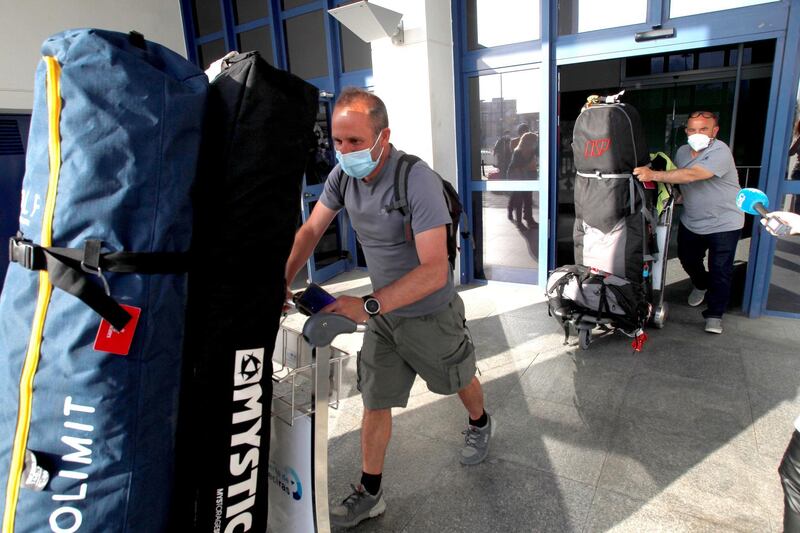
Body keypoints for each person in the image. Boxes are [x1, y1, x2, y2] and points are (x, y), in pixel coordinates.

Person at [283, 87, 492, 528]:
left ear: (383, 136)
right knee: (374, 400)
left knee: (460, 379)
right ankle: (370, 492)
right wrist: (280, 282)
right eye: (338, 141)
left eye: (355, 142)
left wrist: (368, 304)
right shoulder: (343, 178)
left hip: (430, 312)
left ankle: (480, 420)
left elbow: (436, 270)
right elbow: (310, 232)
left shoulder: (416, 179)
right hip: (384, 318)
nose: (344, 151)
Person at [633, 111, 743, 334]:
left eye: (703, 129)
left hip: (725, 222)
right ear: (686, 131)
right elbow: (682, 178)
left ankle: (714, 315)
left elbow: (693, 174)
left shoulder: (720, 150)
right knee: (688, 258)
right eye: (692, 129)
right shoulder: (683, 151)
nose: (697, 133)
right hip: (693, 220)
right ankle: (701, 284)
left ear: (715, 131)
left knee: (720, 270)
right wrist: (680, 196)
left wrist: (652, 174)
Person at [507, 131, 538, 222]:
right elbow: (516, 168)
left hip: (523, 174)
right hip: (514, 174)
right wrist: (523, 181)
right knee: (518, 197)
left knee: (527, 197)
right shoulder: (518, 152)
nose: (535, 143)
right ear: (528, 142)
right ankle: (519, 222)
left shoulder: (531, 151)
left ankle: (527, 217)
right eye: (534, 141)